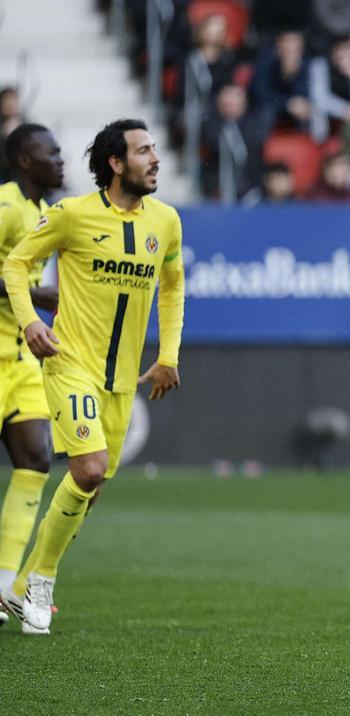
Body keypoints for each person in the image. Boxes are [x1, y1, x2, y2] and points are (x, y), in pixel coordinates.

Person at [0, 118, 185, 634]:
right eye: (143, 151)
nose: (154, 159)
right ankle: (41, 580)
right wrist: (32, 321)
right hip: (69, 362)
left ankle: (13, 590)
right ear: (116, 163)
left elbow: (172, 288)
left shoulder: (166, 221)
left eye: (155, 148)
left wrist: (168, 354)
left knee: (93, 483)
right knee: (87, 469)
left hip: (122, 378)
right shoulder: (70, 215)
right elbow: (16, 266)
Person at [0, 125, 64, 618]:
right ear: (24, 160)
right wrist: (38, 297)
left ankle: (3, 586)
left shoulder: (46, 215)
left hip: (23, 354)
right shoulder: (5, 205)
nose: (60, 160)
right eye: (51, 152)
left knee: (36, 459)